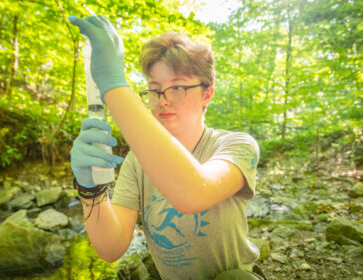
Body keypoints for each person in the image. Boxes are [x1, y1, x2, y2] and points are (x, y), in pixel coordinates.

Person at [68, 15, 264, 280]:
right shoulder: (137, 163)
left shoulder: (236, 145)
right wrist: (91, 190)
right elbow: (111, 248)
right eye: (154, 89)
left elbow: (194, 193)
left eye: (177, 88)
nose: (162, 101)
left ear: (207, 94)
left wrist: (113, 84)